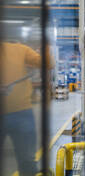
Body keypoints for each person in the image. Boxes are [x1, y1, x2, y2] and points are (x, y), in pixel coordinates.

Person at [0, 41, 54, 176]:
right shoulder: (20, 49)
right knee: (27, 161)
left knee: (27, 162)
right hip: (22, 114)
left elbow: (47, 64)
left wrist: (45, 49)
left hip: (22, 113)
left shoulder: (20, 49)